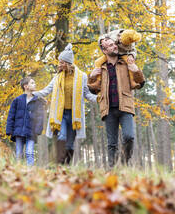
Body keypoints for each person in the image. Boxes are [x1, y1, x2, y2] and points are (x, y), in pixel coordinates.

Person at [33, 43, 97, 165]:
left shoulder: (81, 76)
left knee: (70, 144)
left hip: (74, 115)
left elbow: (86, 94)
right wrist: (32, 94)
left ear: (68, 63)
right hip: (60, 114)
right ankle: (60, 166)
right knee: (61, 137)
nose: (59, 64)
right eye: (59, 62)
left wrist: (99, 98)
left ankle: (67, 166)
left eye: (61, 62)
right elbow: (46, 90)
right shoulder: (57, 77)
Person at [88, 35, 145, 168]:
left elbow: (140, 83)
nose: (114, 46)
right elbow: (93, 90)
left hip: (125, 106)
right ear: (104, 50)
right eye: (110, 45)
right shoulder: (100, 67)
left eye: (114, 44)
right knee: (112, 144)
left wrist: (137, 71)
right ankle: (112, 171)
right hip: (108, 109)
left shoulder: (126, 62)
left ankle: (124, 162)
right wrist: (91, 77)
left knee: (129, 136)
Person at [6, 77, 46, 166]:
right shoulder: (17, 100)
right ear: (26, 86)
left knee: (29, 153)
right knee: (19, 153)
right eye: (32, 83)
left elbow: (40, 117)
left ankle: (30, 173)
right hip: (19, 131)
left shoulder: (37, 101)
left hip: (31, 132)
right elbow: (11, 115)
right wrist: (9, 130)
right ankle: (18, 172)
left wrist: (38, 130)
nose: (35, 84)